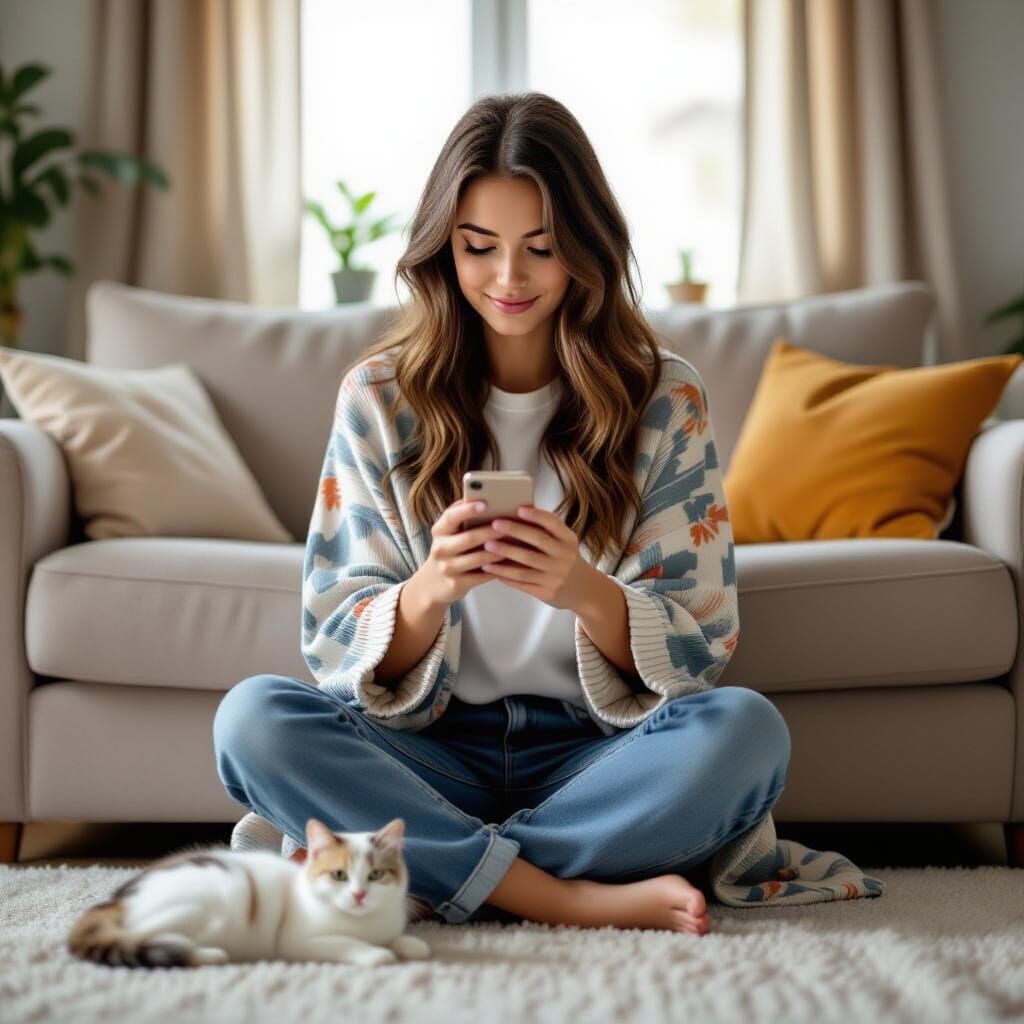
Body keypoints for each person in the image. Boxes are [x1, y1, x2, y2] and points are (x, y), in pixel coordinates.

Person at [213, 92, 791, 937]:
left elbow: (700, 645)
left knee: (746, 732)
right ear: (443, 249)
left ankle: (436, 870)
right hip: (428, 754)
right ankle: (560, 895)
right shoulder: (378, 398)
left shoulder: (665, 398)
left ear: (584, 251)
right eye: (479, 247)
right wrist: (429, 591)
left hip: (595, 758)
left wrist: (583, 589)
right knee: (254, 719)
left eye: (541, 249)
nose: (509, 279)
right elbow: (336, 638)